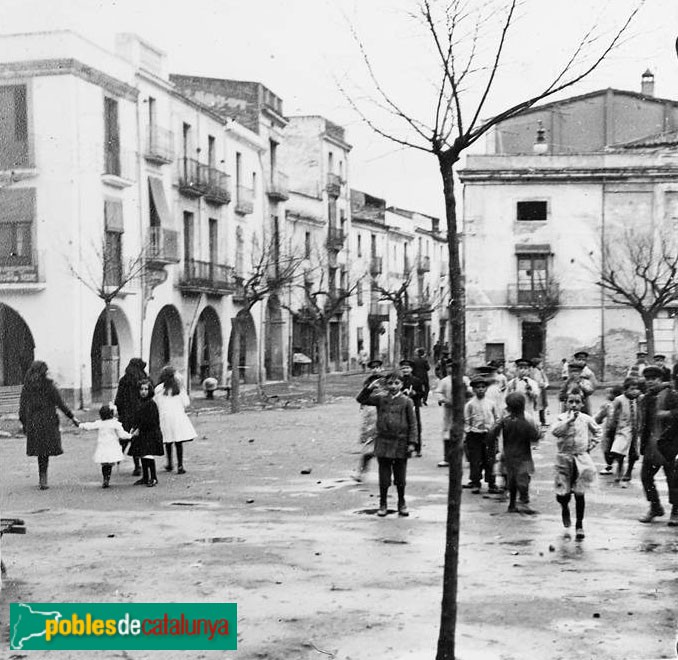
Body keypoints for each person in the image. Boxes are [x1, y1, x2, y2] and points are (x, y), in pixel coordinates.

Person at [356, 371, 418, 517]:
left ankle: (401, 502)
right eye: (390, 383)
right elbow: (361, 399)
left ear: (402, 385)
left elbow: (413, 424)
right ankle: (383, 504)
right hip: (383, 442)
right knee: (384, 476)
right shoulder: (381, 399)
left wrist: (412, 443)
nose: (393, 386)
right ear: (386, 385)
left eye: (397, 383)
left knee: (400, 477)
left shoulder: (407, 401)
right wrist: (370, 387)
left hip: (401, 443)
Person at [19, 360, 80, 490]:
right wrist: (72, 417)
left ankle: (42, 477)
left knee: (40, 450)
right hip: (48, 421)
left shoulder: (27, 387)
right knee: (45, 450)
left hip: (33, 422)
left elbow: (22, 407)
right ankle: (43, 478)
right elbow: (60, 403)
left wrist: (24, 423)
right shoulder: (49, 386)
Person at [551, 389, 602, 541]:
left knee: (580, 493)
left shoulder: (586, 419)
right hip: (564, 458)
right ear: (565, 403)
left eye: (577, 402)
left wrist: (590, 446)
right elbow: (556, 432)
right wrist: (568, 422)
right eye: (570, 402)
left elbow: (598, 431)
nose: (574, 405)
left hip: (581, 458)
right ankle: (564, 508)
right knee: (562, 493)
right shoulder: (561, 418)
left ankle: (579, 524)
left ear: (582, 404)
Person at [637, 365, 678, 525]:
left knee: (673, 479)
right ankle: (655, 507)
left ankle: (676, 511)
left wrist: (667, 414)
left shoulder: (671, 394)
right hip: (651, 446)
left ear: (661, 379)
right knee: (646, 477)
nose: (650, 382)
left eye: (653, 379)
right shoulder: (647, 398)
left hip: (669, 444)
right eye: (647, 379)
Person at [489, 392, 538, 514]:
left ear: (508, 408)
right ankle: (523, 501)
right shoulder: (525, 423)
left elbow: (491, 434)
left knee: (511, 480)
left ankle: (512, 504)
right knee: (523, 480)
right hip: (523, 456)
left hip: (509, 455)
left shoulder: (505, 421)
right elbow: (535, 436)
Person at [155, 366, 196, 474]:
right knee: (178, 442)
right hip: (178, 417)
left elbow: (156, 403)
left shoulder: (159, 389)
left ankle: (169, 463)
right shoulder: (179, 388)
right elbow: (186, 403)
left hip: (164, 417)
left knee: (168, 441)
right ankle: (180, 465)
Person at [463, 374, 501, 494]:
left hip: (489, 435)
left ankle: (491, 483)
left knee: (490, 459)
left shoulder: (491, 403)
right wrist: (471, 430)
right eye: (477, 387)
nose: (480, 389)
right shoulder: (470, 405)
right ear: (473, 389)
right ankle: (475, 482)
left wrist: (494, 430)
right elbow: (466, 421)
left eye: (483, 387)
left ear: (486, 388)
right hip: (474, 436)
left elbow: (497, 418)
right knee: (475, 460)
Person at [79, 404, 130, 488]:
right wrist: (130, 435)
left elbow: (90, 426)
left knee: (104, 464)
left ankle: (105, 479)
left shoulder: (100, 423)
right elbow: (122, 435)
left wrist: (80, 425)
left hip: (102, 446)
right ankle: (107, 478)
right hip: (112, 446)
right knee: (109, 463)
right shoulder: (115, 423)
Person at [114, 358, 149, 477]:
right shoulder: (144, 380)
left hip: (126, 414)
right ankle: (138, 466)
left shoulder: (124, 380)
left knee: (124, 437)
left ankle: (117, 457)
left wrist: (120, 412)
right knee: (138, 439)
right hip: (141, 413)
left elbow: (118, 399)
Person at [606, 378, 642, 487]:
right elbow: (612, 412)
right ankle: (620, 468)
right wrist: (611, 425)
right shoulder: (619, 400)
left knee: (633, 452)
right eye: (632, 389)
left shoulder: (639, 399)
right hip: (623, 429)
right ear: (625, 390)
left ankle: (629, 471)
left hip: (635, 429)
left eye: (636, 389)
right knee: (620, 450)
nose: (634, 391)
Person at [129, 378, 165, 487]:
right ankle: (145, 477)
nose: (143, 392)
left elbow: (151, 420)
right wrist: (134, 426)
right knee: (142, 454)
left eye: (146, 389)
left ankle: (153, 477)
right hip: (142, 433)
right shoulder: (139, 403)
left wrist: (139, 429)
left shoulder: (151, 403)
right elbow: (137, 417)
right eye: (141, 389)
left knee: (148, 455)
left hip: (150, 433)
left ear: (150, 390)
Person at [353, 359, 384, 481]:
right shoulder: (368, 381)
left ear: (381, 368)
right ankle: (361, 473)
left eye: (377, 367)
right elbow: (362, 397)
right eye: (373, 368)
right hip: (371, 412)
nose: (375, 369)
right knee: (369, 447)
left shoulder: (385, 380)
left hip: (384, 413)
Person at [594, 384, 624, 476]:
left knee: (608, 449)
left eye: (609, 393)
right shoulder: (615, 405)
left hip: (613, 431)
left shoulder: (609, 405)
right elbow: (599, 417)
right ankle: (617, 465)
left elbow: (599, 417)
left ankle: (610, 466)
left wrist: (594, 422)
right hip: (616, 431)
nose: (607, 395)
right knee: (616, 449)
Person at [399, 359, 425, 457]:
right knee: (403, 425)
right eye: (403, 368)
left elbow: (422, 393)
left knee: (416, 425)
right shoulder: (399, 380)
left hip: (414, 405)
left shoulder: (417, 380)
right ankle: (406, 447)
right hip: (402, 405)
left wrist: (414, 393)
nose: (405, 370)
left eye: (407, 368)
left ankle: (418, 448)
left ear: (411, 369)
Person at [506, 358, 540, 428]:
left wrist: (530, 392)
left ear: (528, 370)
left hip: (528, 410)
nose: (523, 370)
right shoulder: (511, 383)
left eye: (525, 368)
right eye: (520, 368)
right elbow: (506, 397)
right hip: (514, 412)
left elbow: (536, 396)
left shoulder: (532, 383)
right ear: (517, 369)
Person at [434, 358, 454, 467]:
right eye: (449, 367)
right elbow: (438, 392)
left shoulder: (465, 379)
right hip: (449, 410)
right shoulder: (445, 381)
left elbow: (470, 390)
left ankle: (466, 458)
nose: (451, 369)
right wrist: (444, 399)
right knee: (447, 432)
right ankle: (447, 458)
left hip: (463, 410)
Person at [531, 357, 549, 427]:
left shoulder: (540, 371)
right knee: (538, 406)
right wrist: (543, 384)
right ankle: (539, 421)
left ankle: (543, 421)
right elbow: (536, 381)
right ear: (536, 365)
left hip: (541, 390)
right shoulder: (535, 371)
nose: (542, 365)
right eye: (540, 364)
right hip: (538, 390)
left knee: (542, 406)